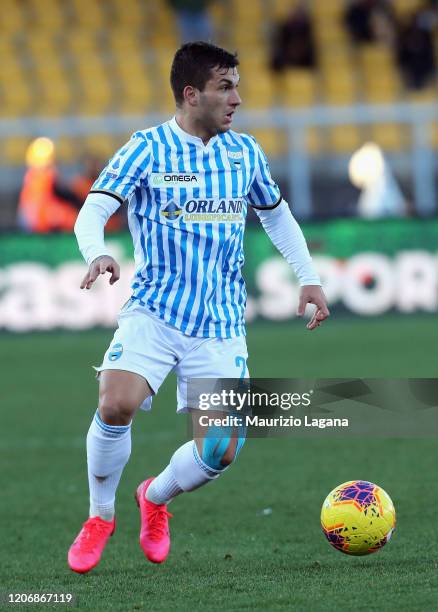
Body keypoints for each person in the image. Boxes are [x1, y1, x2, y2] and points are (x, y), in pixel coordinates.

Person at [69, 41, 329, 574]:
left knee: (221, 452)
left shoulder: (245, 153)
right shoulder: (146, 149)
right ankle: (99, 517)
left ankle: (155, 497)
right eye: (225, 87)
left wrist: (309, 278)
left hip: (221, 324)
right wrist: (97, 252)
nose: (237, 98)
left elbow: (276, 216)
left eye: (236, 85)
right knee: (115, 403)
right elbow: (91, 212)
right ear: (192, 95)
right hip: (155, 313)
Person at [18, 137, 82, 233]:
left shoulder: (31, 176)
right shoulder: (46, 176)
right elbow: (62, 194)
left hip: (31, 220)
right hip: (43, 220)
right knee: (75, 219)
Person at [270, 1, 316, 71]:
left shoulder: (306, 26)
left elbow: (308, 40)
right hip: (287, 53)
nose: (295, 15)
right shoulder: (285, 27)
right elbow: (281, 41)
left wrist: (299, 48)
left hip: (302, 53)